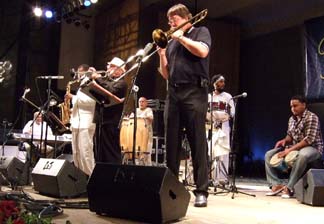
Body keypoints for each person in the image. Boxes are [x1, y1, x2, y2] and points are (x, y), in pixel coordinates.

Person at [157, 4, 211, 207]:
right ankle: (171, 188)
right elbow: (165, 74)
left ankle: (201, 191)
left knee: (197, 142)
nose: (170, 23)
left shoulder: (200, 31)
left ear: (187, 18)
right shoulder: (171, 42)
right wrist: (163, 54)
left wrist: (180, 37)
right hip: (173, 92)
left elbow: (202, 52)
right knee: (171, 143)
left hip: (194, 92)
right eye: (169, 19)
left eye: (174, 19)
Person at [264, 95, 323, 198]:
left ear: (304, 105)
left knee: (302, 155)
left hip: (313, 148)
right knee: (269, 154)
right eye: (291, 106)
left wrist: (288, 151)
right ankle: (276, 184)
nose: (293, 108)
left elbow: (308, 140)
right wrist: (284, 140)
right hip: (295, 147)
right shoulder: (292, 119)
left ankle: (290, 187)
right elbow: (290, 136)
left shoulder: (312, 117)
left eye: (295, 106)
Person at [92, 57, 127, 164]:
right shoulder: (107, 81)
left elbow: (110, 90)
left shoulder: (122, 83)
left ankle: (114, 174)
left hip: (111, 121)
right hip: (101, 120)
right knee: (98, 152)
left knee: (111, 151)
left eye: (111, 66)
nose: (107, 68)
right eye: (109, 65)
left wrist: (98, 78)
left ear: (120, 70)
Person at [65, 64, 96, 176]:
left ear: (85, 72)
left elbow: (92, 102)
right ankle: (79, 178)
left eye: (79, 71)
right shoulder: (81, 85)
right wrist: (72, 109)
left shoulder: (92, 82)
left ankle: (90, 177)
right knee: (76, 152)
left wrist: (73, 97)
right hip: (77, 122)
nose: (77, 74)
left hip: (86, 122)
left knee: (85, 152)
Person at [206, 74, 235, 186]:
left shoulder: (228, 96)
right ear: (214, 83)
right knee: (211, 151)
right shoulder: (209, 97)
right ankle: (211, 177)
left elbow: (232, 111)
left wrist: (224, 117)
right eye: (220, 81)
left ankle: (222, 178)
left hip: (224, 126)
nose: (223, 84)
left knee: (223, 151)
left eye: (223, 81)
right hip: (211, 126)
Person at [128, 97, 154, 165]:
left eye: (143, 102)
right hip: (137, 139)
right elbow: (130, 119)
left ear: (146, 103)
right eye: (139, 102)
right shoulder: (136, 110)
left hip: (147, 138)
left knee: (147, 157)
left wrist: (141, 117)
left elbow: (151, 118)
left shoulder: (148, 110)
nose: (141, 103)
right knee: (137, 158)